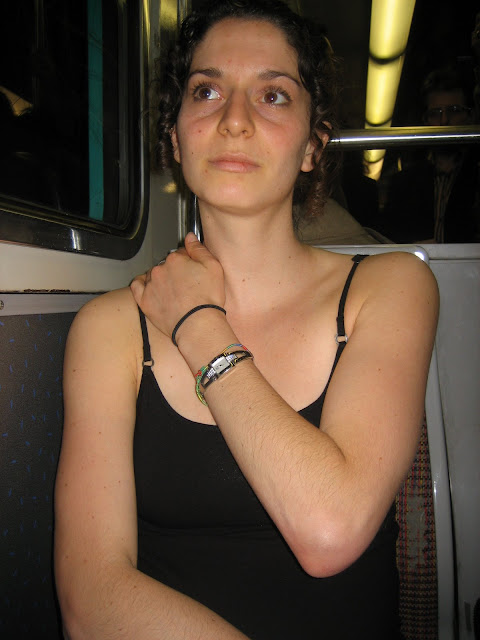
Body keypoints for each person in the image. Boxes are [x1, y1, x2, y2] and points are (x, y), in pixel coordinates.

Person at [54, 1, 439, 638]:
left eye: (273, 95)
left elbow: (330, 530)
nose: (234, 120)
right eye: (207, 91)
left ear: (313, 145)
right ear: (175, 137)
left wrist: (199, 322)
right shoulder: (109, 328)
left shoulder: (390, 286)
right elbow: (90, 598)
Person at [381, 66, 479, 243]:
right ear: (425, 120)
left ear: (471, 116)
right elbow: (389, 239)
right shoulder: (403, 183)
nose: (444, 121)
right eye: (435, 113)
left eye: (454, 110)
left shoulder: (476, 175)